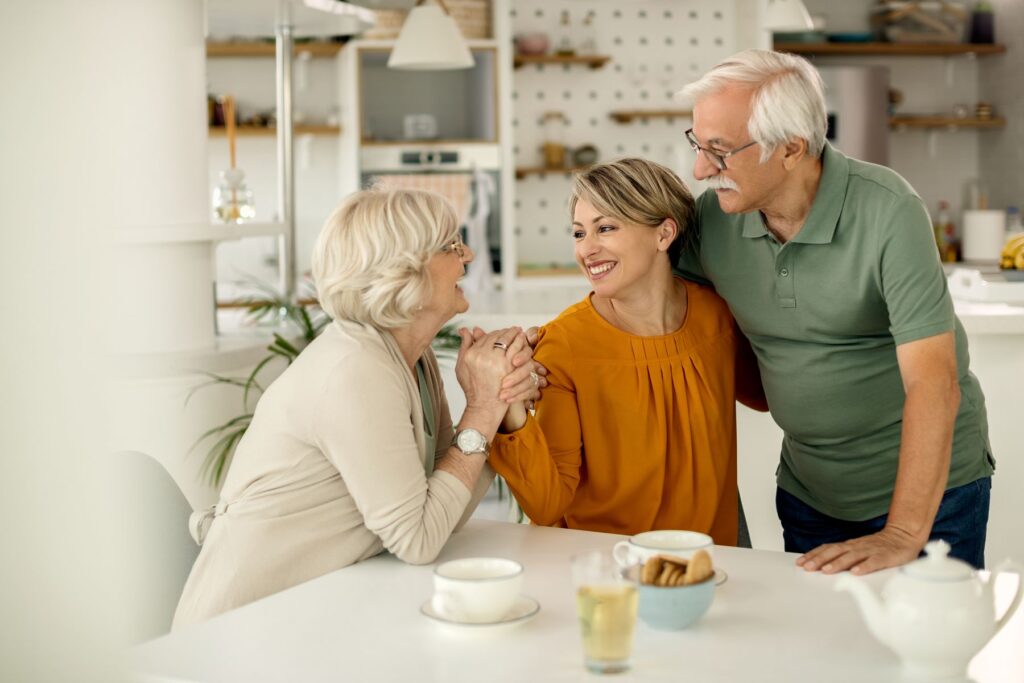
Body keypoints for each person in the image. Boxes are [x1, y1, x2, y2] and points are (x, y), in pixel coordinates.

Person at [675, 49, 994, 573]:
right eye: (697, 143)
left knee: (924, 648)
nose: (700, 169)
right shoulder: (715, 219)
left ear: (791, 149)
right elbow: (666, 315)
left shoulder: (888, 210)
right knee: (821, 651)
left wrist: (901, 534)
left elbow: (934, 384)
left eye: (720, 150)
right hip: (811, 492)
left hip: (932, 503)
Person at [173, 188, 542, 628]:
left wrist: (498, 401)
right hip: (240, 630)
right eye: (451, 245)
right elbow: (418, 540)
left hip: (310, 612)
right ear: (404, 270)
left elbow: (442, 513)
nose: (469, 253)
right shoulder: (355, 369)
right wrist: (483, 407)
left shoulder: (411, 357)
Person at [489, 158, 766, 544]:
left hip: (713, 559)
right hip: (608, 568)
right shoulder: (565, 344)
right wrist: (511, 406)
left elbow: (767, 396)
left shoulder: (717, 316)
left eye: (605, 228)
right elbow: (547, 503)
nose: (587, 249)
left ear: (664, 234)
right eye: (578, 233)